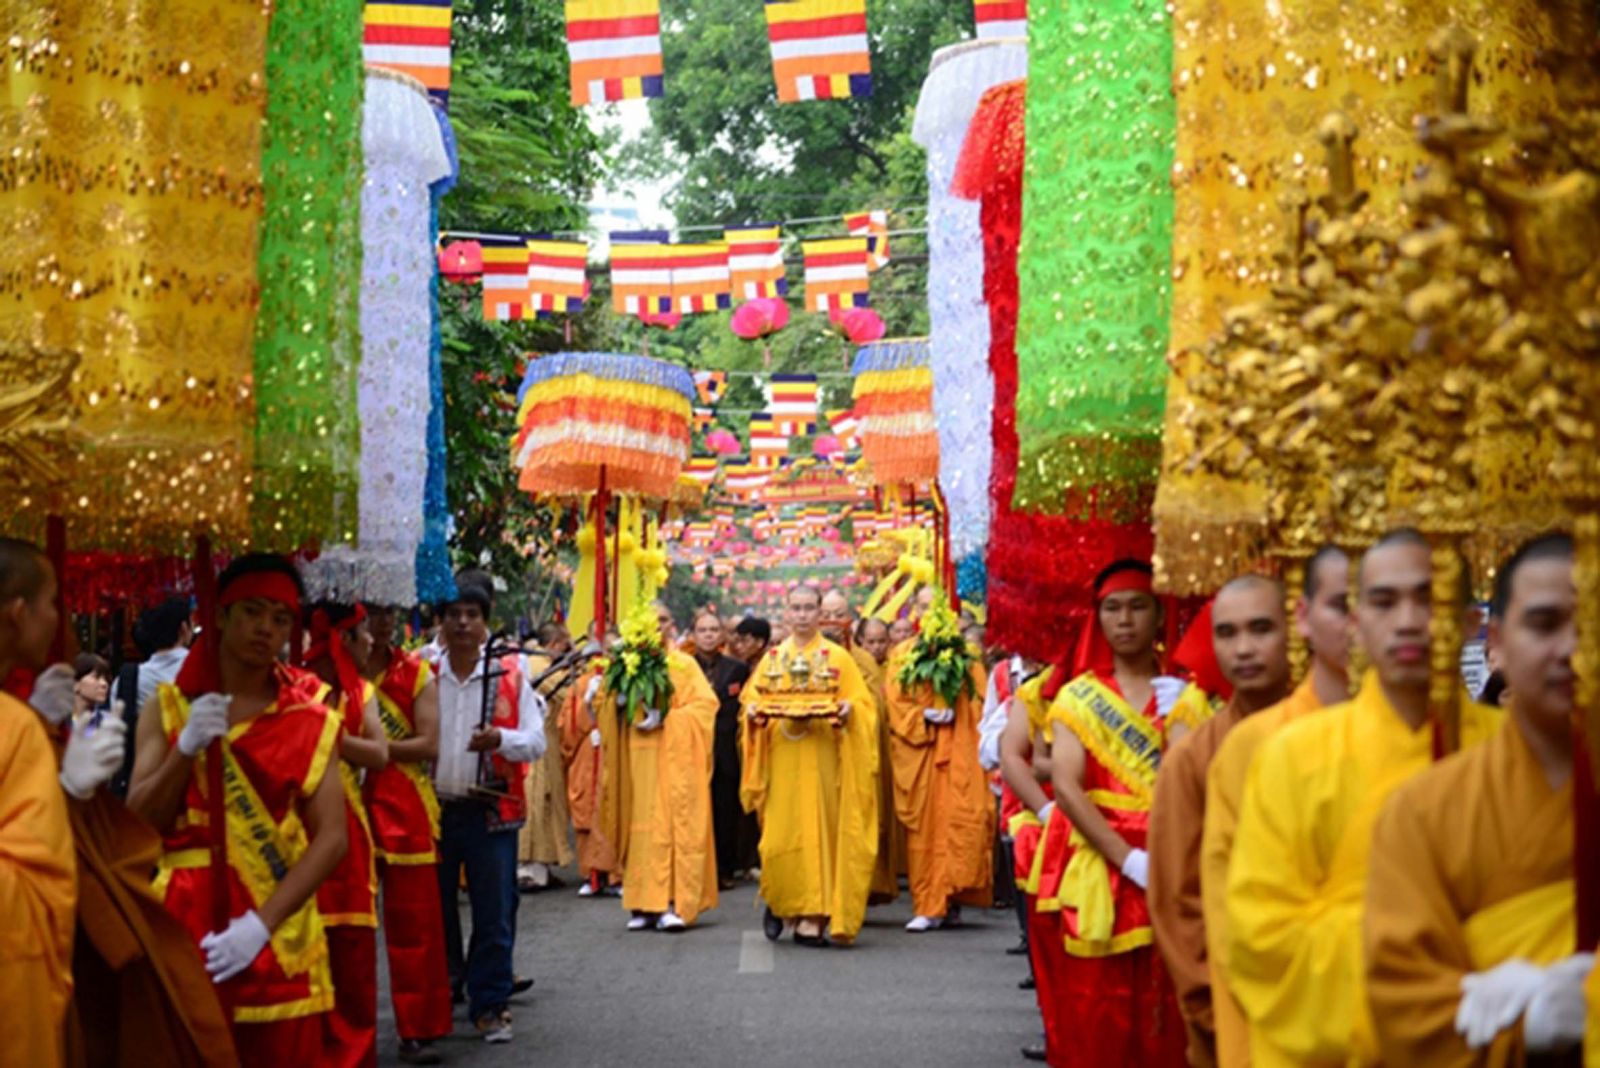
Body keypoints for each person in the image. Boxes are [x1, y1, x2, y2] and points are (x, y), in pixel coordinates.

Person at [1225, 529, 1504, 1068]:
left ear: (1473, 623)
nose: (1408, 620)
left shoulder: (1512, 755)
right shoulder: (1291, 759)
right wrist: (1440, 979)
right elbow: (1261, 941)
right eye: (1384, 601)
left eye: (1430, 598)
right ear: (1356, 622)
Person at [1366, 533, 1592, 1063]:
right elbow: (1403, 1001)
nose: (1570, 649)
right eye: (1543, 625)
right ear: (1498, 639)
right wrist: (1527, 1021)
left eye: (1589, 625)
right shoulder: (1426, 810)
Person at [128, 553, 348, 1065]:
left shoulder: (310, 720)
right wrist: (185, 751)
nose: (265, 629)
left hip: (277, 925)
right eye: (252, 612)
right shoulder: (168, 707)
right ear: (220, 615)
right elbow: (137, 822)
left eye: (280, 618)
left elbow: (331, 838)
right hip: (182, 923)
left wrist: (261, 926)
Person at [1199, 545, 1349, 1068]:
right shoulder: (1240, 750)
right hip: (1275, 1013)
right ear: (1306, 619)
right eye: (1344, 605)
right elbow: (1219, 913)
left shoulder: (1447, 742)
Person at [1046, 558, 1187, 1067]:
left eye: (1137, 607)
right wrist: (1127, 859)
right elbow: (1067, 786)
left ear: (1158, 614)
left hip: (1177, 866)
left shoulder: (1187, 695)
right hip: (1103, 869)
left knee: (1171, 1014)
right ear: (1098, 617)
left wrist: (1193, 718)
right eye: (1112, 608)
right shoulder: (1077, 698)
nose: (1124, 620)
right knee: (1097, 1016)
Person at [1148, 576, 1292, 1068]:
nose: (1244, 649)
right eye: (1227, 634)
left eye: (1261, 629)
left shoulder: (1332, 735)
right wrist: (1212, 1001)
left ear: (1295, 630)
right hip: (1228, 997)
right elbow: (1176, 898)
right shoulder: (1193, 758)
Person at [429, 572, 545, 1044]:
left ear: (485, 622)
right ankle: (441, 993)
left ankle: (490, 1003)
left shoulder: (511, 674)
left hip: (489, 808)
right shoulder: (420, 671)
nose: (462, 623)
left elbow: (535, 742)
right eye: (453, 615)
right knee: (434, 911)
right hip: (431, 808)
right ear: (439, 622)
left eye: (471, 615)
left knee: (493, 911)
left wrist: (501, 738)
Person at [741, 584, 880, 946]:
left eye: (808, 608)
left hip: (823, 762)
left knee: (822, 835)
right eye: (796, 608)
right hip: (783, 761)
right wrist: (752, 714)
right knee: (779, 839)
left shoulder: (837, 658)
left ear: (820, 614)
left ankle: (815, 916)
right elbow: (752, 701)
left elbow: (864, 706)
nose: (802, 615)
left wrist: (851, 711)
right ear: (786, 612)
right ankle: (781, 901)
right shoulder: (773, 659)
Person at [0, 539, 88, 1064]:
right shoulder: (15, 729)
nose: (58, 620)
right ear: (18, 613)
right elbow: (38, 882)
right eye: (52, 603)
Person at [362, 603, 451, 1065]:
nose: (380, 622)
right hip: (343, 806)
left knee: (414, 925)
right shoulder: (324, 675)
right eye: (370, 613)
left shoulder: (416, 673)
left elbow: (428, 743)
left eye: (388, 613)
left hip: (403, 806)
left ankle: (418, 1027)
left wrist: (370, 750)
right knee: (348, 927)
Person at [597, 602, 720, 931]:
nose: (657, 626)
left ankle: (671, 902)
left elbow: (706, 707)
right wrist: (617, 705)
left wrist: (668, 717)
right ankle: (642, 903)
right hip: (637, 758)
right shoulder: (626, 664)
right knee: (640, 828)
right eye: (650, 621)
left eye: (663, 620)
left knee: (670, 826)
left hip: (675, 759)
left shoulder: (684, 664)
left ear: (672, 625)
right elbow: (604, 708)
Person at [303, 602, 389, 1067]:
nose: (372, 640)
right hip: (293, 839)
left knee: (353, 971)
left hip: (350, 840)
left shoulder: (362, 694)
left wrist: (323, 734)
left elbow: (377, 754)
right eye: (361, 634)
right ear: (342, 640)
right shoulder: (295, 690)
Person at [884, 594, 994, 931]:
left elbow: (983, 706)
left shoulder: (968, 656)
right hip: (922, 755)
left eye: (937, 607)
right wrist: (923, 716)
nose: (929, 613)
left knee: (962, 819)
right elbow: (895, 704)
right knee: (925, 831)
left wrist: (958, 711)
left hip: (959, 753)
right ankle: (928, 901)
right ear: (914, 611)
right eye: (923, 606)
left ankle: (952, 896)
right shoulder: (903, 655)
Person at [821, 589, 901, 904]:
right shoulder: (805, 655)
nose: (832, 621)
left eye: (838, 613)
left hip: (854, 746)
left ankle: (864, 884)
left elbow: (877, 709)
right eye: (826, 613)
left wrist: (853, 709)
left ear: (849, 619)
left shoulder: (862, 660)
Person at [689, 607, 753, 890]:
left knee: (725, 810)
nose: (708, 635)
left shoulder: (737, 668)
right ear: (694, 635)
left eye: (714, 630)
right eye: (703, 630)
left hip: (725, 748)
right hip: (691, 747)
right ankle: (697, 870)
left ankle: (725, 868)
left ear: (723, 635)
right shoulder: (683, 667)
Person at [518, 621, 576, 892]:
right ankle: (531, 869)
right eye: (565, 645)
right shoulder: (540, 667)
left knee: (550, 803)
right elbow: (568, 695)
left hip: (548, 742)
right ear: (554, 645)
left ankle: (543, 865)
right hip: (539, 743)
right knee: (539, 801)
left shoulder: (539, 664)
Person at [562, 654, 620, 896]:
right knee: (586, 808)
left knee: (614, 809)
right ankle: (590, 872)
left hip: (615, 748)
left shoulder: (623, 681)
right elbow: (567, 726)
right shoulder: (581, 683)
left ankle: (617, 874)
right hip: (587, 751)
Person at [73, 652, 111, 717]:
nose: (104, 684)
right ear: (75, 684)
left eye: (106, 679)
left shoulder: (109, 722)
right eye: (96, 677)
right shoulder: (57, 722)